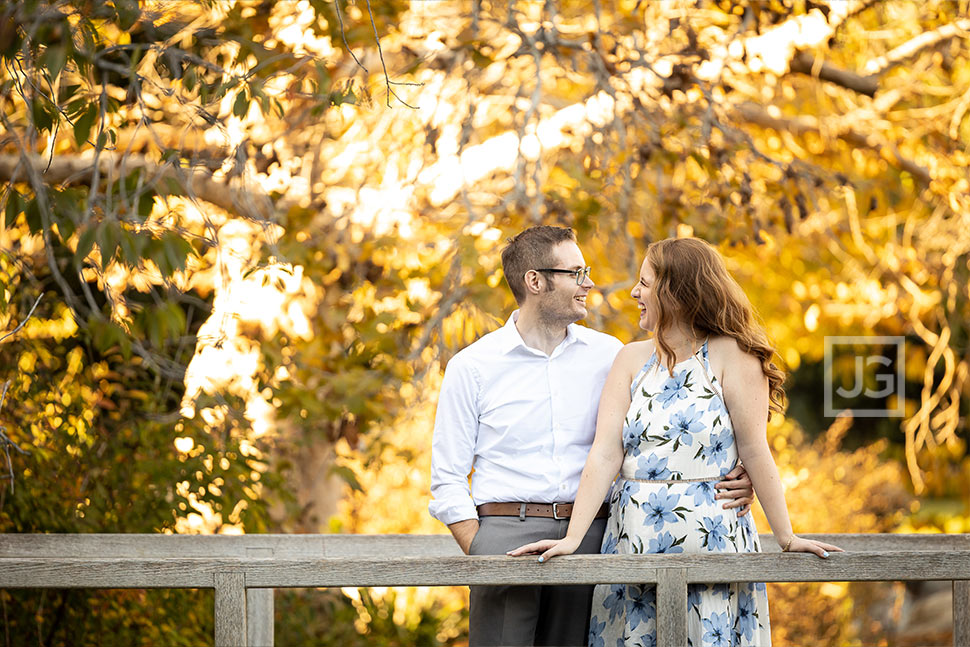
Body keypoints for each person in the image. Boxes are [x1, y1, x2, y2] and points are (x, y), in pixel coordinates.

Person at [429, 227, 756, 646]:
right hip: (504, 531)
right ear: (535, 281)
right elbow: (447, 478)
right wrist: (482, 545)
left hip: (595, 535)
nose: (589, 282)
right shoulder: (472, 366)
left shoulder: (611, 354)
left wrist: (737, 468)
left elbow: (674, 419)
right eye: (576, 272)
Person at [509, 236, 844, 646]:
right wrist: (573, 538)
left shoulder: (733, 355)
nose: (634, 292)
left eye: (645, 283)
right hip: (632, 543)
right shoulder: (630, 359)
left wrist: (787, 537)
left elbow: (756, 449)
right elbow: (605, 452)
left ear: (676, 292)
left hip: (712, 542)